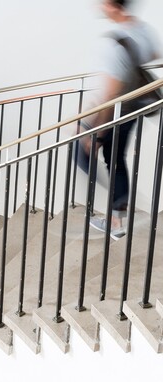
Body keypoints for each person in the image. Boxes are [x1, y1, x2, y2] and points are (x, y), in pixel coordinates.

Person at [77, 0, 160, 240]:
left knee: (92, 156)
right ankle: (118, 211)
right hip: (136, 105)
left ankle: (116, 219)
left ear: (113, 5)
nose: (98, 5)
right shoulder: (142, 30)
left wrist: (97, 133)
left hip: (120, 109)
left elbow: (111, 95)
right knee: (115, 157)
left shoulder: (111, 43)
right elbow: (154, 54)